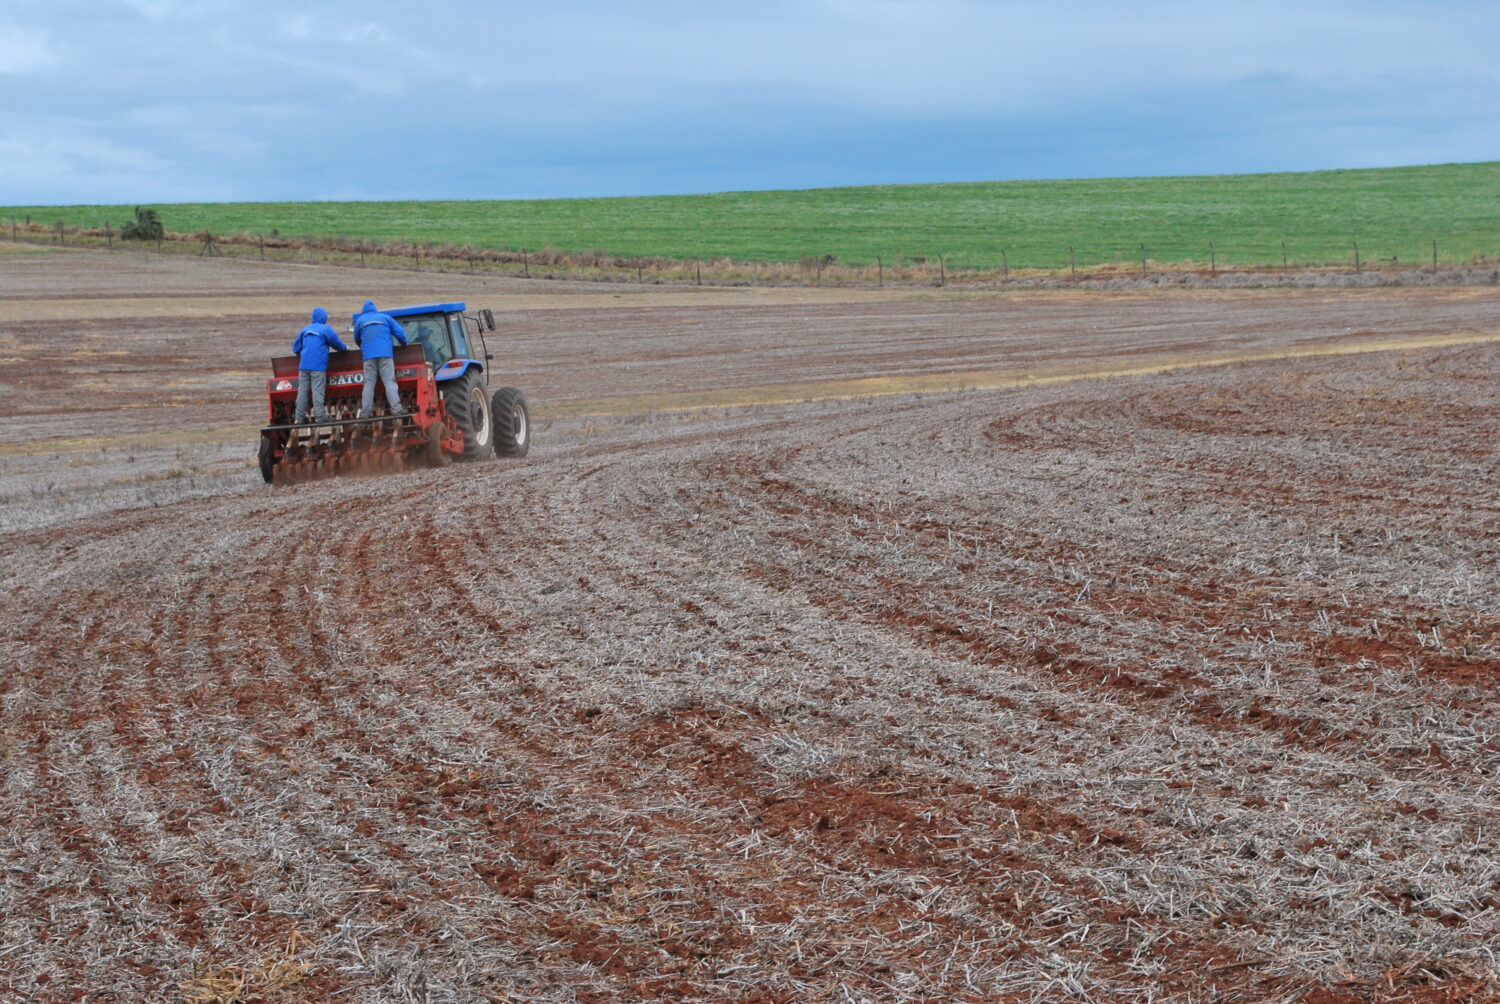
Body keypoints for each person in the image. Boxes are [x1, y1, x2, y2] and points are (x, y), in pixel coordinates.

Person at [291, 306, 348, 423]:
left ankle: (299, 417)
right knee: (317, 390)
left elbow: (295, 348)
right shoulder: (325, 329)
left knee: (302, 391)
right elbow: (337, 344)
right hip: (318, 366)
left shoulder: (305, 330)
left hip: (303, 366)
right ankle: (320, 416)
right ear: (324, 318)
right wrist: (344, 348)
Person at [352, 299, 408, 418]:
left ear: (364, 310)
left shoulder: (360, 321)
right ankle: (396, 409)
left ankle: (365, 412)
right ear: (375, 309)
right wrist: (403, 342)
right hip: (385, 355)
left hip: (368, 357)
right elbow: (400, 332)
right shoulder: (385, 318)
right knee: (389, 382)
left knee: (368, 384)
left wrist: (364, 347)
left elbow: (357, 338)